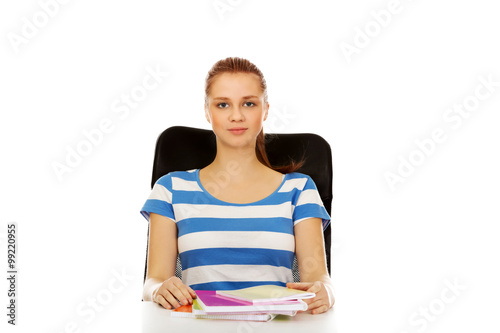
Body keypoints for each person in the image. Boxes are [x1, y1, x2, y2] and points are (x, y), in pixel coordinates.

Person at [140, 57, 335, 314]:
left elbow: (318, 279)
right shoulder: (170, 189)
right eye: (223, 104)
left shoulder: (299, 191)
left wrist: (326, 292)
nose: (236, 115)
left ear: (265, 110)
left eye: (249, 103)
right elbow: (153, 280)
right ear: (207, 112)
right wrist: (158, 289)